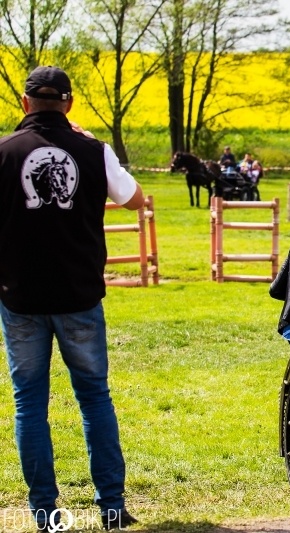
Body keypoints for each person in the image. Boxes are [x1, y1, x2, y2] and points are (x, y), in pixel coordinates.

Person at [0, 66, 142, 530]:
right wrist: (95, 146)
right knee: (94, 398)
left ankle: (45, 513)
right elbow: (135, 199)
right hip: (79, 293)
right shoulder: (92, 150)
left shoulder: (3, 152)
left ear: (24, 103)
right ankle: (112, 508)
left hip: (19, 295)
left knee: (29, 405)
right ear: (69, 103)